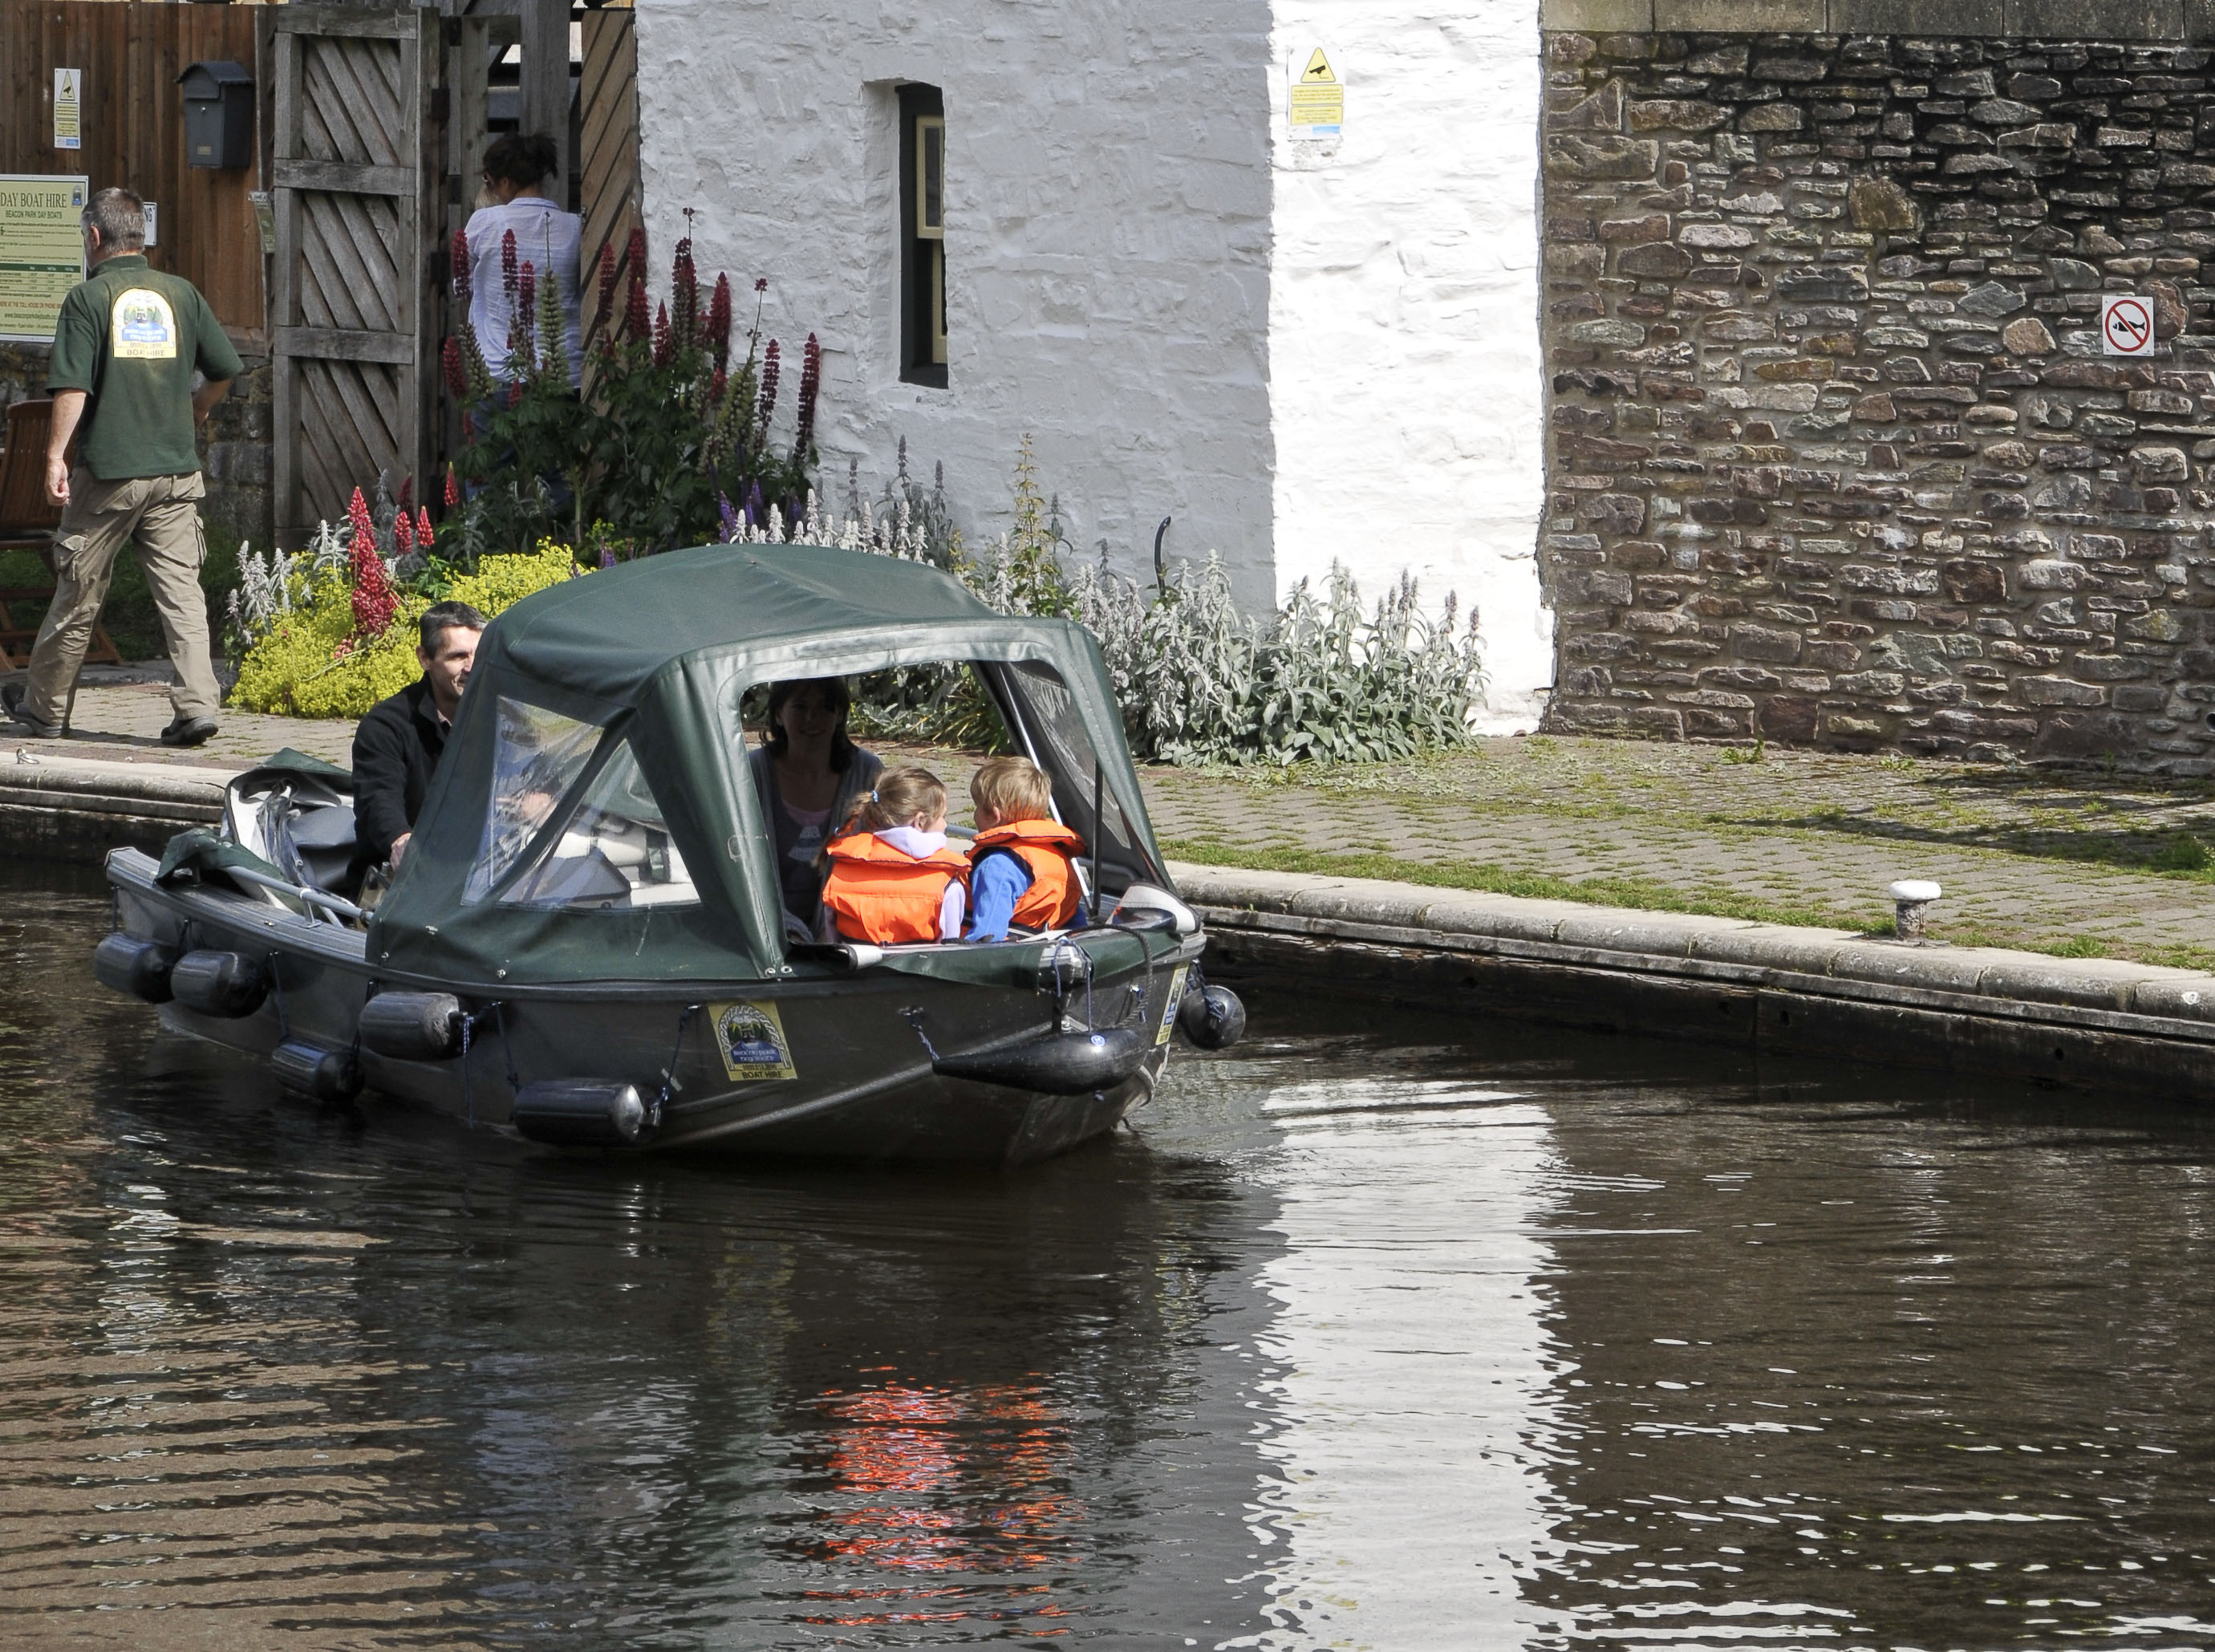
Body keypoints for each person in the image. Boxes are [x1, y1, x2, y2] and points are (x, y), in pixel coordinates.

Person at [2, 188, 241, 748]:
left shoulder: (88, 299)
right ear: (140, 235)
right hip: (176, 474)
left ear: (93, 237)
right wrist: (199, 407)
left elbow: (73, 388)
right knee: (182, 592)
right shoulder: (181, 294)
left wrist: (55, 455)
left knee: (78, 589)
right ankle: (197, 708)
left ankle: (44, 709)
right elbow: (226, 367)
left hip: (109, 474)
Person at [351, 601, 485, 887]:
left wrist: (540, 800)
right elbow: (378, 798)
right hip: (404, 883)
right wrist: (400, 840)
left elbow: (533, 771)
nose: (472, 667)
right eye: (458, 656)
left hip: (484, 873)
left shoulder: (500, 716)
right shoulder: (385, 725)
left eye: (479, 654)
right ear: (424, 658)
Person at [748, 678, 882, 934]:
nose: (812, 717)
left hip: (845, 928)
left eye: (825, 707)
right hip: (761, 928)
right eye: (799, 706)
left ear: (840, 714)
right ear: (778, 714)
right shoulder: (751, 772)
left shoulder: (867, 772)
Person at [464, 133, 583, 387]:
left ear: (506, 182)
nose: (491, 189)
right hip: (564, 375)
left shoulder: (486, 222)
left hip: (501, 373)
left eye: (490, 182)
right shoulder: (575, 227)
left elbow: (461, 284)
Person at [818, 766, 968, 944]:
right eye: (942, 817)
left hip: (853, 970)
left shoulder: (842, 870)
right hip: (917, 971)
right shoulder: (947, 883)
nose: (944, 824)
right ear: (920, 821)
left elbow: (832, 937)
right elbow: (948, 953)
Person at [964, 756, 1088, 941]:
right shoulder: (1058, 858)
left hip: (1004, 958)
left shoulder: (996, 866)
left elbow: (987, 937)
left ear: (995, 815)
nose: (975, 814)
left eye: (978, 807)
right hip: (1043, 953)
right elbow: (1076, 925)